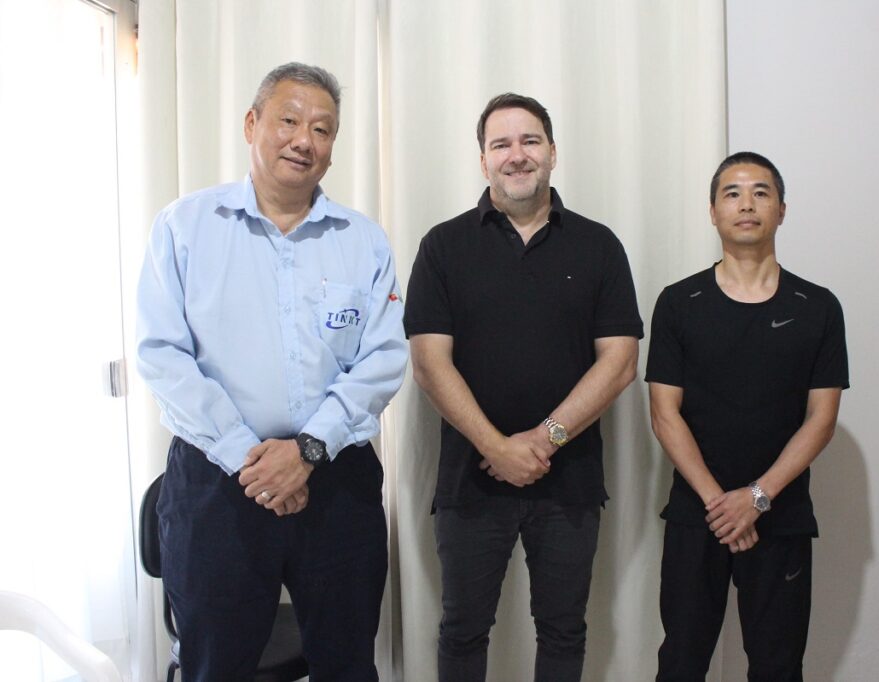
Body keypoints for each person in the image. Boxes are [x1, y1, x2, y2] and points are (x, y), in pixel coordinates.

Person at [136, 62, 408, 681]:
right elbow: (163, 355)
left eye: (322, 129)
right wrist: (251, 460)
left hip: (337, 482)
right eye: (288, 120)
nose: (304, 140)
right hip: (217, 483)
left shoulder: (363, 240)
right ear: (251, 124)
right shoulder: (185, 227)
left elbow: (383, 357)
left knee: (347, 663)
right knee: (216, 666)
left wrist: (307, 451)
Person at [404, 93, 643, 682]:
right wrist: (496, 447)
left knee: (563, 631)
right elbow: (430, 363)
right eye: (501, 144)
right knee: (463, 630)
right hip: (470, 481)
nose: (517, 155)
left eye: (530, 140)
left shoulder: (599, 246)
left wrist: (543, 440)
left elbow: (619, 362)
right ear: (483, 159)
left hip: (569, 481)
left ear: (553, 152)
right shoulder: (443, 246)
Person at [646, 151, 849, 682]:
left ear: (782, 210)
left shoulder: (818, 307)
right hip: (698, 514)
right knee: (681, 663)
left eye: (761, 192)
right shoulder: (678, 302)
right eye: (732, 193)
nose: (746, 204)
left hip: (780, 515)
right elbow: (664, 414)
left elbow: (822, 419)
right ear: (713, 211)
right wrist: (722, 505)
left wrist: (757, 498)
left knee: (778, 667)